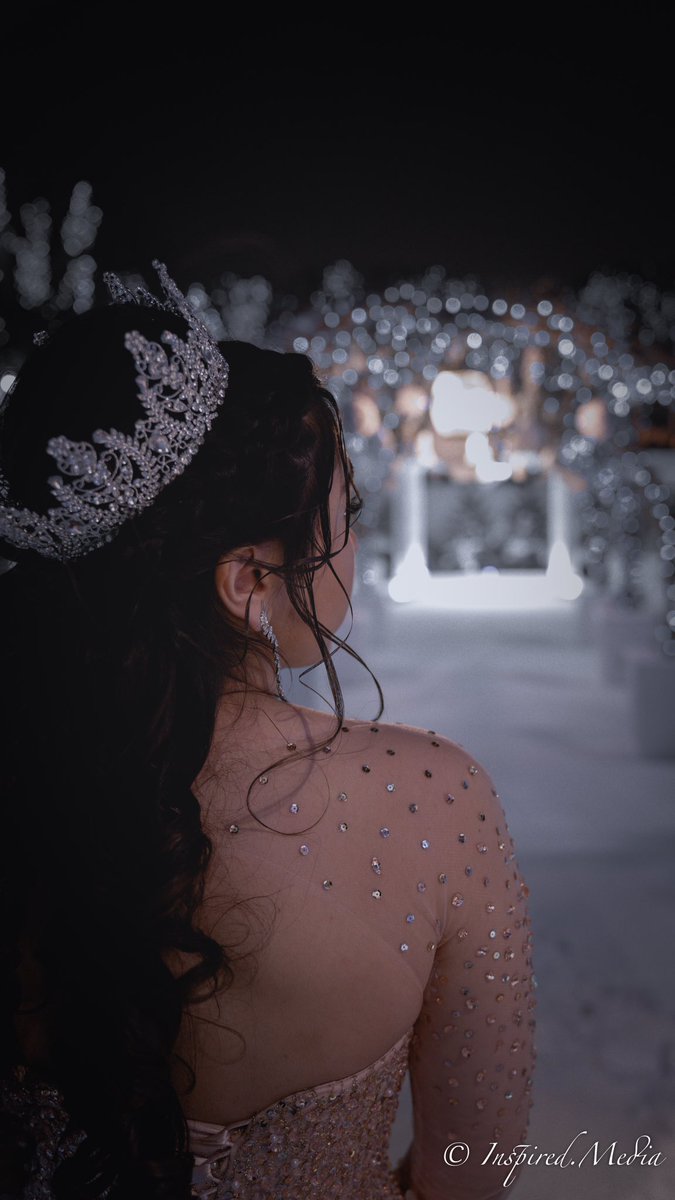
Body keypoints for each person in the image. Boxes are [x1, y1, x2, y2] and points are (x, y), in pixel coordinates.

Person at [0, 261, 537, 1199]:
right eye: (347, 517)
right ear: (247, 579)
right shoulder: (432, 798)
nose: (354, 547)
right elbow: (473, 1166)